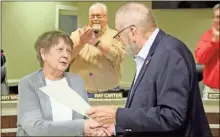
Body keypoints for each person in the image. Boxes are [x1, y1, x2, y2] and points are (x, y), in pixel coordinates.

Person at [87, 2, 212, 137]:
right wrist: (116, 128)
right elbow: (145, 110)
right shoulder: (151, 54)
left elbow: (172, 116)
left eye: (119, 35)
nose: (119, 41)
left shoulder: (169, 54)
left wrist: (118, 115)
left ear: (133, 32)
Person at [16, 31, 109, 136]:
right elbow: (35, 128)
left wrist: (95, 131)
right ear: (44, 54)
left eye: (68, 51)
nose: (66, 55)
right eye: (60, 49)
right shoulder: (29, 83)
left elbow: (86, 117)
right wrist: (82, 126)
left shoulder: (76, 81)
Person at [69, 2, 125, 95]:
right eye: (92, 16)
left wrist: (97, 43)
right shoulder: (77, 34)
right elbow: (67, 57)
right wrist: (81, 43)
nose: (95, 19)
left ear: (105, 18)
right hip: (79, 91)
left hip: (108, 92)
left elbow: (118, 58)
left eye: (99, 16)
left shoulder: (115, 35)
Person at [195, 4, 219, 99]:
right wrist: (214, 41)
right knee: (209, 114)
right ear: (213, 19)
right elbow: (200, 59)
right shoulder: (207, 36)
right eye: (218, 17)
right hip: (212, 90)